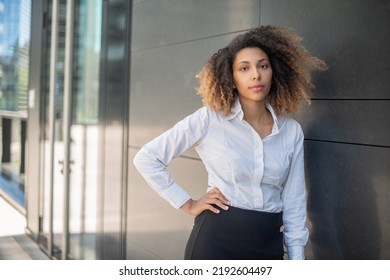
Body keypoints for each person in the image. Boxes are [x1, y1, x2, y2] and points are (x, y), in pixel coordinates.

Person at [133, 25, 326, 260]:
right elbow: (147, 158)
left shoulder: (290, 132)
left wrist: (297, 259)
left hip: (268, 244)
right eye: (244, 68)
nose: (256, 74)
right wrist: (188, 204)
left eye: (263, 66)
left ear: (273, 72)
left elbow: (294, 201)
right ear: (231, 78)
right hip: (216, 241)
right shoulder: (209, 119)